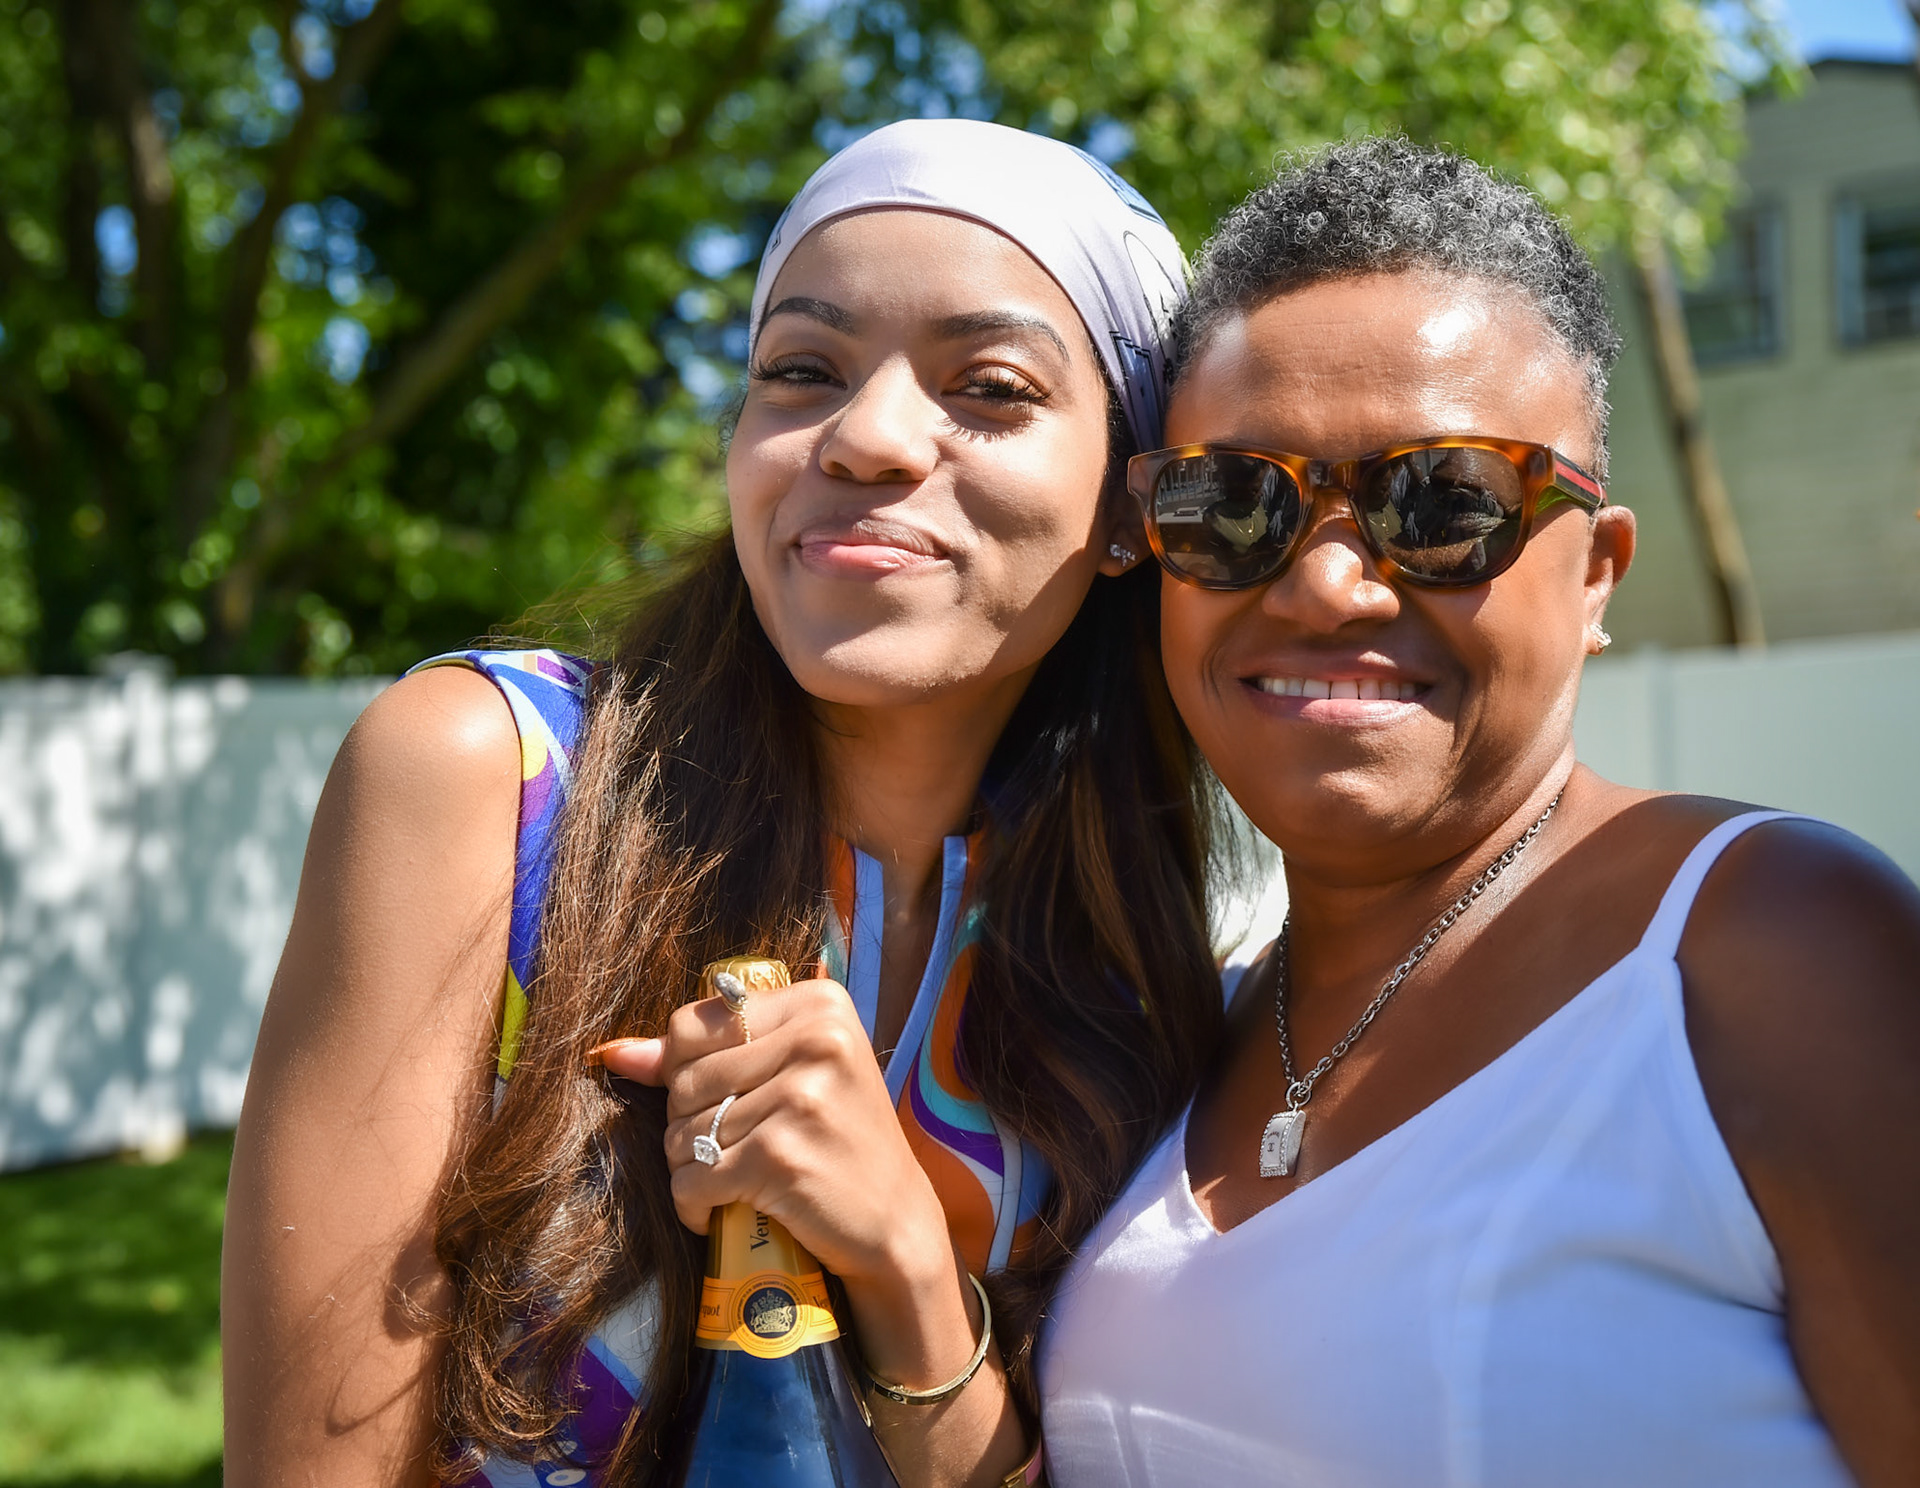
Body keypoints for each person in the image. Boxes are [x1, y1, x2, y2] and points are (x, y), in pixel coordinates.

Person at [222, 118, 1224, 1487]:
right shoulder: (495, 781)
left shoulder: (1134, 961)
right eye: (802, 370)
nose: (865, 437)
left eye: (989, 387)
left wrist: (905, 1262)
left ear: (1129, 510)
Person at [1040, 138, 1920, 1487]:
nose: (1326, 586)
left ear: (1598, 574)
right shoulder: (1179, 1023)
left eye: (1444, 501)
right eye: (1233, 504)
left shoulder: (1767, 950)